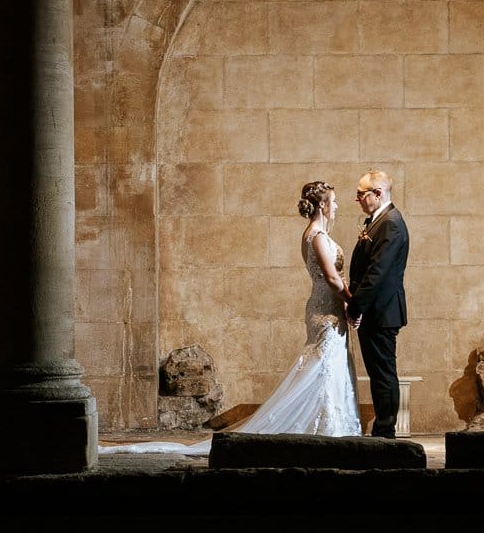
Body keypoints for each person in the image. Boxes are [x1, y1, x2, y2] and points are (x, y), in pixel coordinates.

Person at [99, 180, 362, 455]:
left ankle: (329, 424)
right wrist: (353, 302)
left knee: (327, 365)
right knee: (323, 367)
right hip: (325, 311)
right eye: (334, 201)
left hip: (329, 308)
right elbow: (331, 278)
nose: (337, 206)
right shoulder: (317, 236)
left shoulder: (314, 234)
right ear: (322, 205)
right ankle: (324, 427)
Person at [346, 170, 410, 439]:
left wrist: (355, 307)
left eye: (361, 194)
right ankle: (383, 428)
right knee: (378, 372)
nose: (358, 199)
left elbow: (377, 273)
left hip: (381, 312)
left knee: (383, 373)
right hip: (376, 310)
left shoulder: (390, 224)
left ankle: (385, 431)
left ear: (378, 194)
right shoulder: (379, 221)